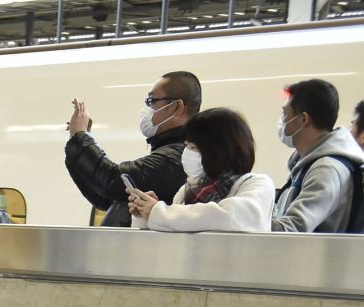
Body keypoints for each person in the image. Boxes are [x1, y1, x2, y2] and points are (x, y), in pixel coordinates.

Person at [65, 71, 198, 226]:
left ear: (176, 107)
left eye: (151, 101)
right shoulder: (169, 150)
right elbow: (107, 198)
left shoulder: (175, 157)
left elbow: (112, 179)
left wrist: (81, 138)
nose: (146, 110)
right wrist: (77, 142)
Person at [129, 108, 275, 233]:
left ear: (220, 151)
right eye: (187, 146)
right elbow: (173, 231)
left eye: (194, 147)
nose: (186, 152)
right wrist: (145, 215)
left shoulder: (257, 184)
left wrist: (159, 212)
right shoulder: (186, 190)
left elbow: (229, 217)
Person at [272, 79, 364, 234]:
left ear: (303, 119)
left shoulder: (326, 169)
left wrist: (248, 222)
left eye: (285, 114)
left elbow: (293, 229)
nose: (282, 121)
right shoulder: (309, 163)